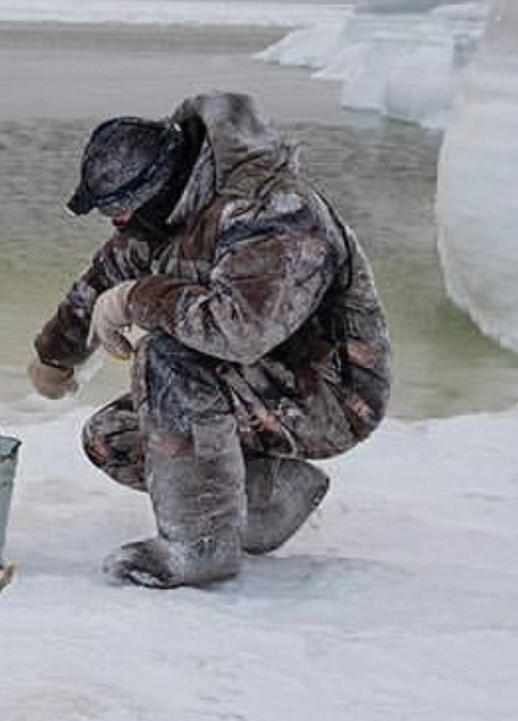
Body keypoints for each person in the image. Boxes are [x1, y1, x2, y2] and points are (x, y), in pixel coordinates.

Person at [29, 91, 390, 587]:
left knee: (169, 355)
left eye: (122, 208)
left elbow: (238, 330)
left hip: (330, 393)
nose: (119, 223)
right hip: (257, 384)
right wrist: (55, 356)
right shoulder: (168, 213)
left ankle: (199, 548)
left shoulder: (273, 209)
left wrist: (139, 298)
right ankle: (273, 497)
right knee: (113, 438)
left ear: (159, 185)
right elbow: (105, 276)